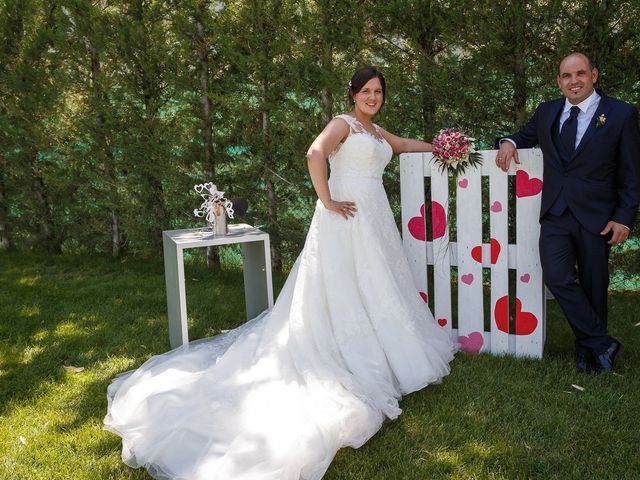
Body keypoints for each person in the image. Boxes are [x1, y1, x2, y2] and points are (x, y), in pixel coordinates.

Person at [104, 66, 457, 479]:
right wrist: (327, 200)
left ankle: (387, 347)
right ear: (352, 94)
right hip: (345, 217)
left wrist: (439, 147)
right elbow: (314, 153)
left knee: (377, 285)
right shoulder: (342, 124)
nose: (372, 97)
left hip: (374, 218)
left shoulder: (377, 134)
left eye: (378, 91)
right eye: (365, 91)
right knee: (344, 286)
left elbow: (402, 144)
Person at [496, 52, 640, 374]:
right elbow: (523, 136)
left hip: (598, 215)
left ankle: (589, 354)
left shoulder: (620, 114)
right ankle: (602, 342)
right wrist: (508, 142)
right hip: (556, 212)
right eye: (566, 76)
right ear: (559, 81)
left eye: (580, 74)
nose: (573, 81)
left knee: (593, 283)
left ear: (594, 75)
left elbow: (631, 174)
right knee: (557, 276)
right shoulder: (547, 112)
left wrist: (624, 217)